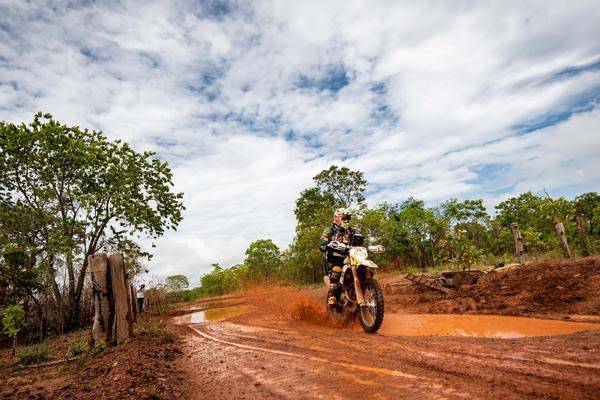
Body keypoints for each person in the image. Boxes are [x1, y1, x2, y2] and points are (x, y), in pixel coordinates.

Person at [319, 208, 360, 306]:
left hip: (349, 256)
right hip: (334, 258)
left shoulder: (351, 231)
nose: (347, 221)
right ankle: (332, 294)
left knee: (360, 266)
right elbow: (323, 241)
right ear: (338, 218)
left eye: (348, 219)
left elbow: (359, 240)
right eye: (345, 218)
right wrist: (324, 243)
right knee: (337, 269)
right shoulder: (329, 230)